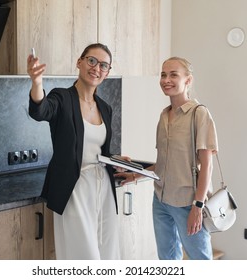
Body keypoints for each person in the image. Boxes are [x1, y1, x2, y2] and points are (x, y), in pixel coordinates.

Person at [115, 57, 218, 260]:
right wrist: (135, 175)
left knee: (201, 259)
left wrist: (198, 206)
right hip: (161, 201)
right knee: (167, 260)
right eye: (163, 74)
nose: (166, 79)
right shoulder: (164, 115)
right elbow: (164, 163)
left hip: (188, 202)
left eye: (173, 75)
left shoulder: (199, 114)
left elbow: (207, 165)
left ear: (188, 80)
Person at [27, 43, 121, 260]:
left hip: (103, 187)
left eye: (104, 65)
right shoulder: (61, 98)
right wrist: (36, 82)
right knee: (83, 256)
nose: (97, 68)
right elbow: (40, 110)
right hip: (74, 187)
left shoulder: (105, 108)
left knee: (108, 253)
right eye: (92, 61)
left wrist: (116, 160)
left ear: (107, 73)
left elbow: (98, 149)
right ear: (79, 62)